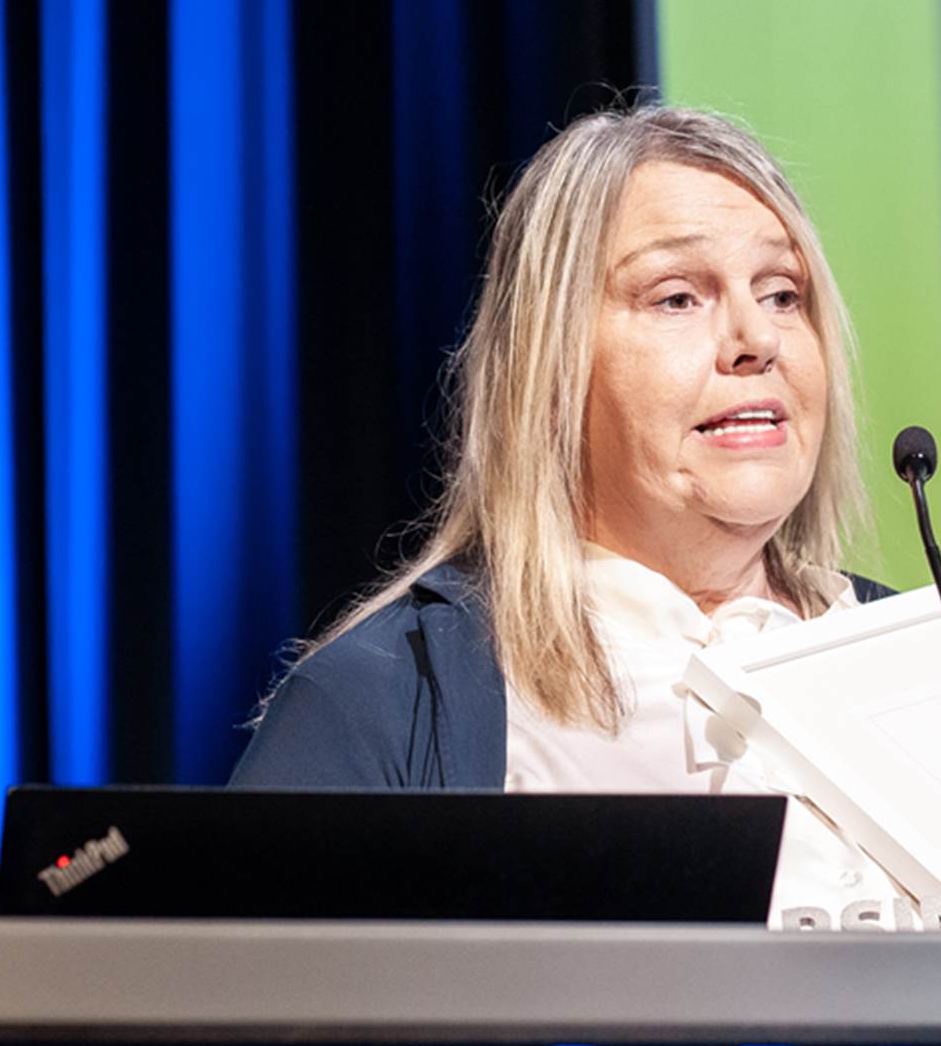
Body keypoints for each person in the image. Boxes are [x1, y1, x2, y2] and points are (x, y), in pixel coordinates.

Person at [229, 103, 906, 923]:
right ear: (549, 366)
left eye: (783, 294)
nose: (756, 337)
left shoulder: (940, 657)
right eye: (677, 298)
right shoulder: (383, 702)